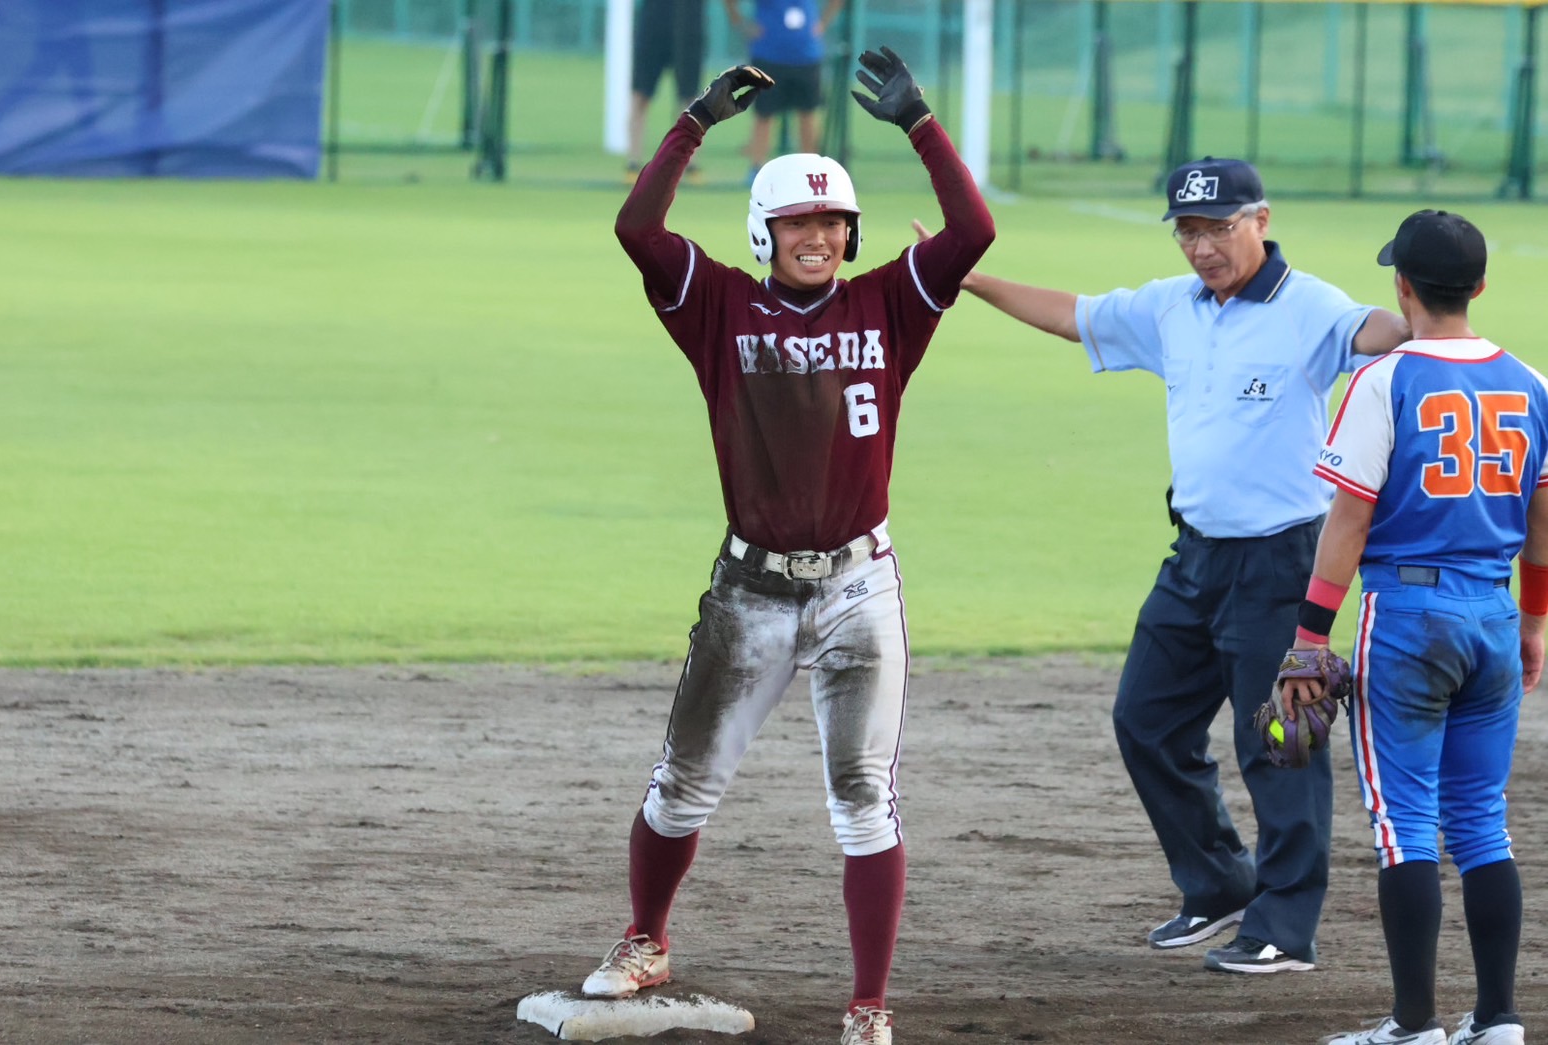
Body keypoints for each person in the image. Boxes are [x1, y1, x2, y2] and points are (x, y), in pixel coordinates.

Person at [586, 47, 994, 1045]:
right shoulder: (718, 303)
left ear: (851, 234)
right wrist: (689, 124)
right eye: (797, 221)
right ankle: (645, 936)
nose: (816, 236)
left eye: (831, 222)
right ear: (763, 231)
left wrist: (921, 124)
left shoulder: (888, 302)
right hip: (750, 589)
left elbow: (973, 230)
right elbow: (635, 228)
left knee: (864, 799)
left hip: (860, 583)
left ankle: (866, 1005)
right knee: (682, 784)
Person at [915, 156, 1411, 973]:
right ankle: (1219, 882)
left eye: (1219, 227)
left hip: (1283, 558)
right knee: (1144, 719)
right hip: (1193, 558)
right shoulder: (1170, 307)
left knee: (1281, 740)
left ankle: (1286, 926)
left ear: (1260, 218)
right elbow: (1073, 314)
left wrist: (1437, 318)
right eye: (1187, 230)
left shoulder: (1307, 306)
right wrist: (968, 277)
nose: (1202, 246)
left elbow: (1382, 335)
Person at [1299, 211, 1547, 1045]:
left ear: (1400, 287)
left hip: (1406, 616)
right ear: (1478, 286)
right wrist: (1535, 623)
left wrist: (1307, 636)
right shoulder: (1529, 381)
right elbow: (1543, 524)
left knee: (1403, 822)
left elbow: (1347, 523)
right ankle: (1499, 1020)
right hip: (1492, 613)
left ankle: (1413, 1026)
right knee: (1480, 817)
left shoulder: (1383, 380)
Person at [722, 0, 844, 181]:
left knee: (808, 114)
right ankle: (756, 171)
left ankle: (811, 172)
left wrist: (823, 24)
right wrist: (741, 23)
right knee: (764, 114)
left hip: (807, 56)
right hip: (768, 55)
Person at [625, 0, 707, 183]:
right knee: (641, 94)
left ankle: (690, 163)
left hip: (689, 22)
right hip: (654, 20)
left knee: (689, 98)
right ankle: (633, 161)